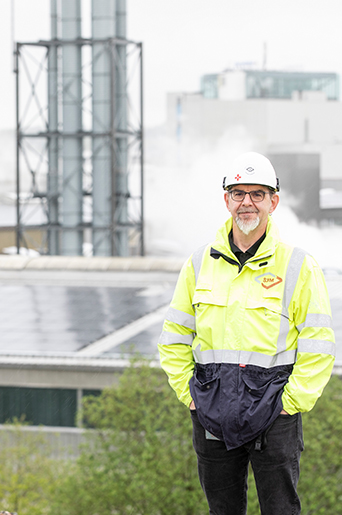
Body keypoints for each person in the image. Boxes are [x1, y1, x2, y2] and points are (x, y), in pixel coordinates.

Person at [158, 152, 335, 515]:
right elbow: (174, 336)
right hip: (211, 410)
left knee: (280, 510)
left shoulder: (298, 265)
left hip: (274, 413)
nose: (247, 202)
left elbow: (319, 346)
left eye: (258, 193)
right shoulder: (198, 264)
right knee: (221, 510)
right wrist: (189, 395)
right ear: (226, 200)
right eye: (239, 193)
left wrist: (290, 404)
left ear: (274, 202)